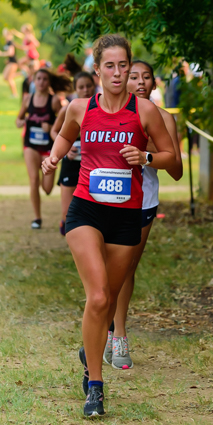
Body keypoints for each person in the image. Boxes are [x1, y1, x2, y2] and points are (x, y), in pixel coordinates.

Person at [41, 34, 176, 417]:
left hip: (126, 215)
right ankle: (96, 388)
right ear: (97, 69)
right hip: (86, 210)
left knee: (109, 299)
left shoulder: (145, 112)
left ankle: (91, 345)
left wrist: (146, 156)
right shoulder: (80, 108)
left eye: (123, 66)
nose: (118, 73)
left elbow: (169, 156)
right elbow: (65, 136)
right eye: (110, 66)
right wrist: (53, 159)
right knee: (98, 297)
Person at [103, 60, 183, 370]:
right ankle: (105, 325)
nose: (139, 81)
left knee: (125, 269)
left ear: (153, 83)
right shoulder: (112, 112)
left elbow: (176, 170)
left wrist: (149, 153)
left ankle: (118, 334)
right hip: (106, 198)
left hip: (143, 201)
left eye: (145, 77)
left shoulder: (162, 118)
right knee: (107, 269)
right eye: (133, 75)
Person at [16, 68, 72, 229]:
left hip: (48, 148)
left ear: (49, 82)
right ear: (34, 80)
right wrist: (20, 122)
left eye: (44, 79)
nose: (41, 82)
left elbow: (63, 122)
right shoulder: (28, 100)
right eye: (38, 78)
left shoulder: (54, 100)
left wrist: (51, 126)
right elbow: (18, 119)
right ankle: (37, 217)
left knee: (47, 188)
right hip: (31, 146)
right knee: (33, 180)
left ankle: (43, 200)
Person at [51, 71, 95, 235]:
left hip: (93, 165)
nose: (86, 90)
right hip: (71, 163)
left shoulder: (102, 107)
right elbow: (55, 132)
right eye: (81, 87)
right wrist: (67, 148)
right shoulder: (68, 109)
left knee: (91, 209)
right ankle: (66, 226)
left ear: (94, 85)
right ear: (75, 89)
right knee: (67, 211)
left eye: (89, 86)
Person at [0, 28, 18, 97]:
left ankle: (14, 94)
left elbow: (11, 53)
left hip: (13, 62)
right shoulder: (7, 42)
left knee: (9, 78)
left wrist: (2, 54)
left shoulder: (10, 42)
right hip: (10, 62)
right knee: (5, 77)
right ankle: (21, 73)